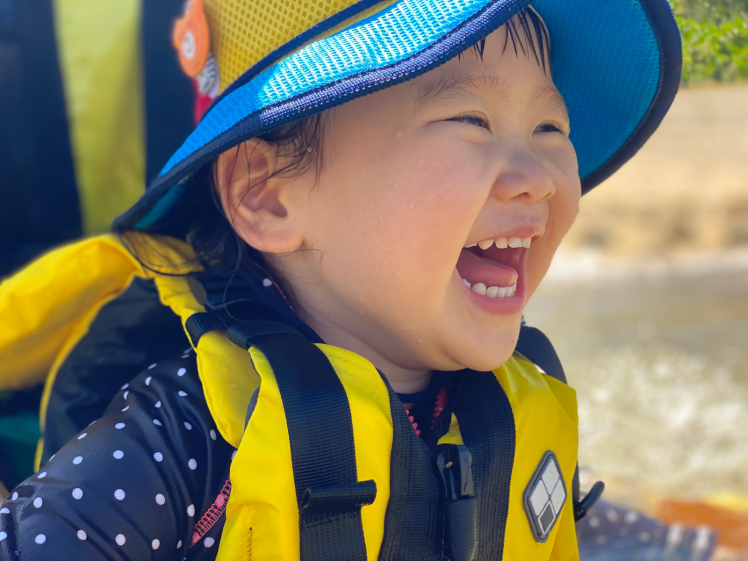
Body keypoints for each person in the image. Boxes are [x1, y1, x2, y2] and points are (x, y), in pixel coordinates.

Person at [0, 0, 682, 558]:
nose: (539, 178)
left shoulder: (504, 406)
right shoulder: (186, 435)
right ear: (267, 193)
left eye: (550, 127)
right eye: (470, 119)